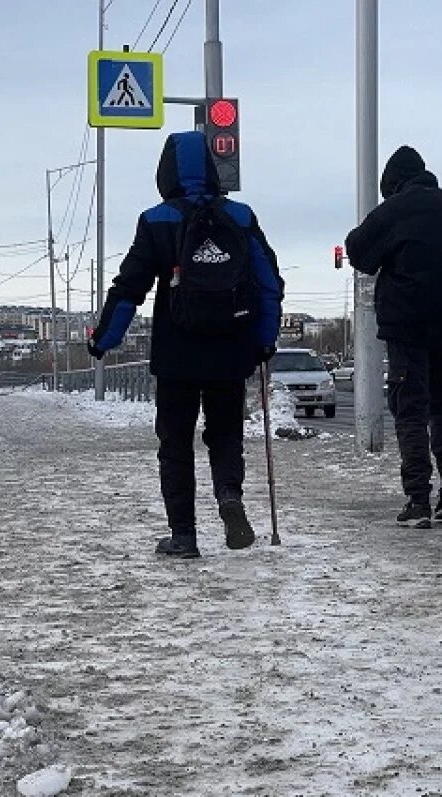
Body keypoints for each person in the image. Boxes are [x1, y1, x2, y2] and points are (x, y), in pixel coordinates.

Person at [88, 131, 284, 559]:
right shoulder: (240, 216)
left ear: (166, 172)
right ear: (213, 171)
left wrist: (104, 339)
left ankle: (184, 536)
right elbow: (269, 283)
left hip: (176, 353)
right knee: (226, 434)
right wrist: (264, 340)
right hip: (230, 350)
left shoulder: (157, 220)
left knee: (175, 444)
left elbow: (129, 288)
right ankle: (229, 495)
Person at [344, 145, 442, 528]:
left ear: (393, 185)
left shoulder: (394, 211)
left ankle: (417, 499)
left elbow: (357, 250)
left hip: (405, 322)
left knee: (410, 406)